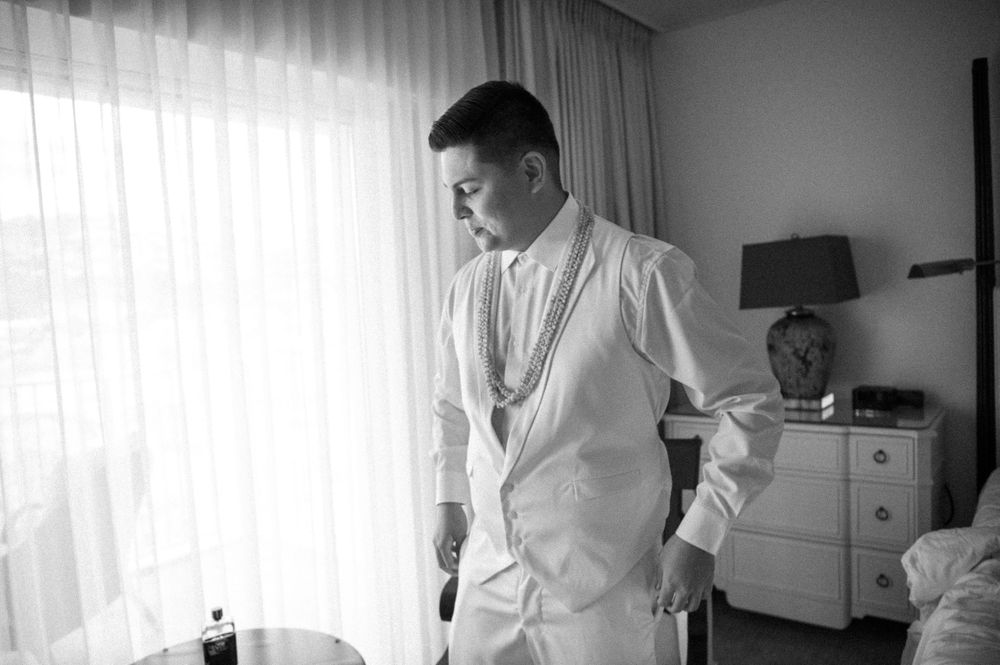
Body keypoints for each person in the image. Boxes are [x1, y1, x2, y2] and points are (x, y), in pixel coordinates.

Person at [428, 80, 783, 665]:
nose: (457, 212)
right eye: (450, 192)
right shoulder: (466, 287)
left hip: (602, 585)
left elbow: (752, 400)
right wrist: (447, 498)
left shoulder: (641, 272)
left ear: (534, 170)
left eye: (468, 189)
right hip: (487, 576)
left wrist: (701, 532)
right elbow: (449, 402)